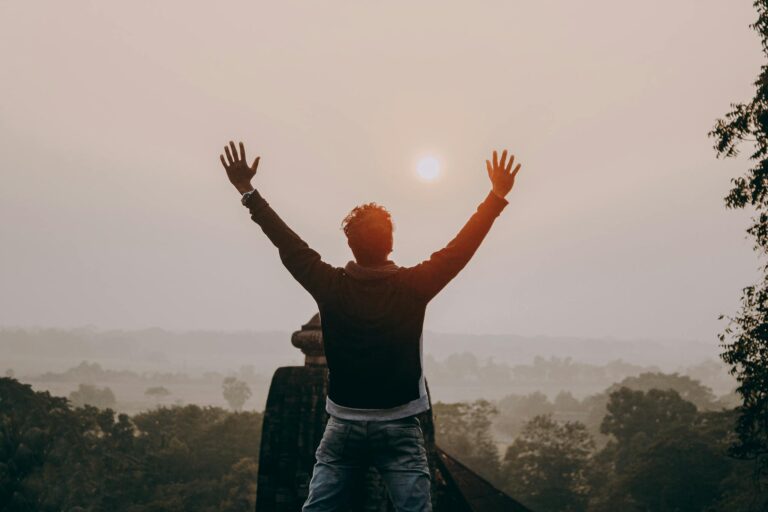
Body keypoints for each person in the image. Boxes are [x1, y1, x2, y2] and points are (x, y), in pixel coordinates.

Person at [218, 141, 522, 512]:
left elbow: (288, 244)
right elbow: (459, 250)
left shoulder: (330, 286)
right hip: (399, 426)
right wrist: (495, 197)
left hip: (343, 426)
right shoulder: (413, 286)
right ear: (390, 243)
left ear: (350, 245)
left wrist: (248, 192)